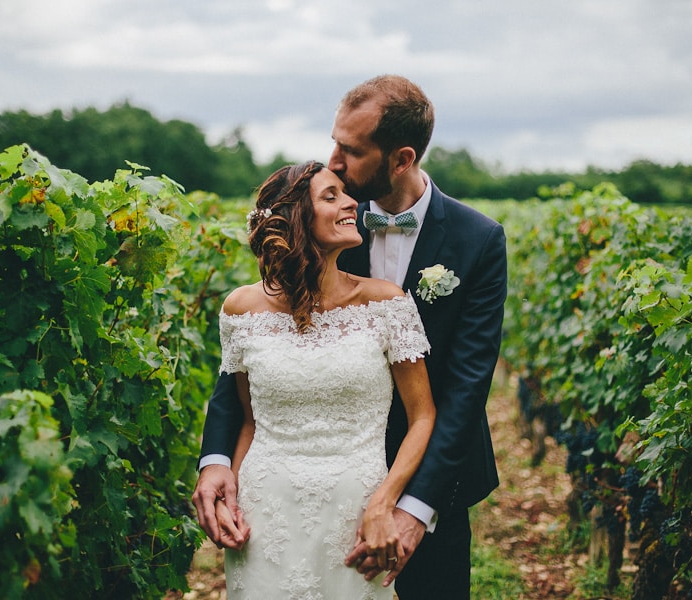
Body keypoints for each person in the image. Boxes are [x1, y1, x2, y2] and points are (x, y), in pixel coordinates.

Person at [194, 74, 507, 599]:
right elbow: (246, 374)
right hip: (288, 492)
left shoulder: (478, 241)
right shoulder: (323, 223)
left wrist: (411, 509)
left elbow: (465, 389)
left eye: (351, 150)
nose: (333, 160)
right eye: (334, 140)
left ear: (401, 159)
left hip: (430, 486)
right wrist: (216, 462)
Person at [206, 160, 436, 598]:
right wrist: (230, 493)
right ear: (294, 218)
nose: (351, 203)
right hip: (266, 511)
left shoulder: (386, 303)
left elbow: (423, 416)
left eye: (345, 194)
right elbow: (251, 420)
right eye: (330, 197)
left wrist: (386, 502)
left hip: (358, 508)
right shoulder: (240, 309)